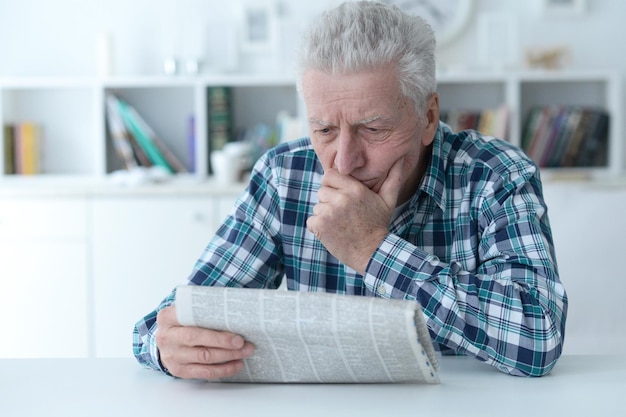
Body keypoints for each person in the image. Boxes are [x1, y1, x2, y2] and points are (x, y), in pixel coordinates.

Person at [133, 1, 567, 379]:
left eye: (372, 128)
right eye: (324, 129)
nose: (343, 161)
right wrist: (167, 347)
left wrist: (373, 250)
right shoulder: (285, 175)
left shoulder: (496, 175)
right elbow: (171, 320)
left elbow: (538, 336)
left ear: (429, 117)